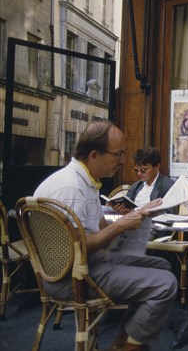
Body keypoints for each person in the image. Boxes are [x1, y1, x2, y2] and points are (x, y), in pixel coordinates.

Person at [34, 121, 178, 350]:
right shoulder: (70, 188)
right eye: (118, 154)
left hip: (83, 267)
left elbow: (98, 231)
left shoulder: (85, 183)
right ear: (94, 155)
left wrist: (136, 217)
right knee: (165, 284)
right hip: (73, 278)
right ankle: (130, 346)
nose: (122, 161)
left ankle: (123, 339)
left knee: (162, 266)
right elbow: (77, 249)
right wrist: (121, 226)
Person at [111, 147, 176, 214]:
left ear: (157, 166)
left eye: (143, 170)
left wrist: (141, 213)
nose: (139, 173)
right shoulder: (136, 186)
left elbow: (169, 213)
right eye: (136, 170)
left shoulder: (168, 186)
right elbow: (128, 206)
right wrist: (123, 209)